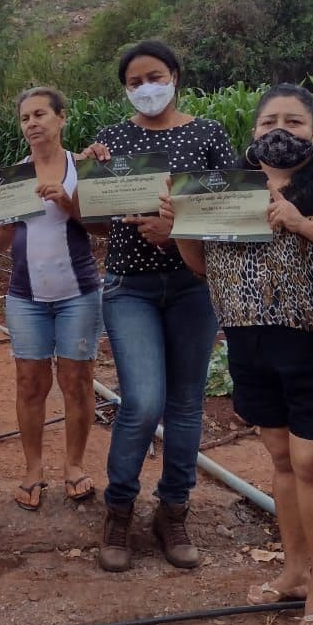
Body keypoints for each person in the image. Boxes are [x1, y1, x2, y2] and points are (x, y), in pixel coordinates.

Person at [173, 84, 313, 625]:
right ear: (252, 132)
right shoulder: (227, 188)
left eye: (295, 122)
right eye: (268, 121)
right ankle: (294, 572)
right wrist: (183, 224)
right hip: (248, 339)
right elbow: (203, 265)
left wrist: (300, 221)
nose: (279, 130)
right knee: (280, 459)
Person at [81, 39, 236, 573]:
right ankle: (119, 509)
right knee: (142, 402)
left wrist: (178, 232)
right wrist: (89, 186)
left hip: (193, 285)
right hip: (130, 287)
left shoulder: (210, 133)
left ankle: (173, 511)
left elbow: (230, 210)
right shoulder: (112, 140)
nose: (146, 88)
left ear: (174, 75)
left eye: (154, 76)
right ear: (125, 89)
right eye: (134, 82)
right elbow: (97, 222)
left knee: (187, 404)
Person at [0, 87, 102, 509]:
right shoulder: (14, 178)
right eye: (25, 118)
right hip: (26, 296)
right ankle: (33, 469)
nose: (32, 124)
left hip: (78, 291)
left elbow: (105, 228)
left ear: (62, 118)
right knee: (29, 383)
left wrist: (69, 200)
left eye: (40, 114)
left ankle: (74, 466)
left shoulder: (85, 166)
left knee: (77, 382)